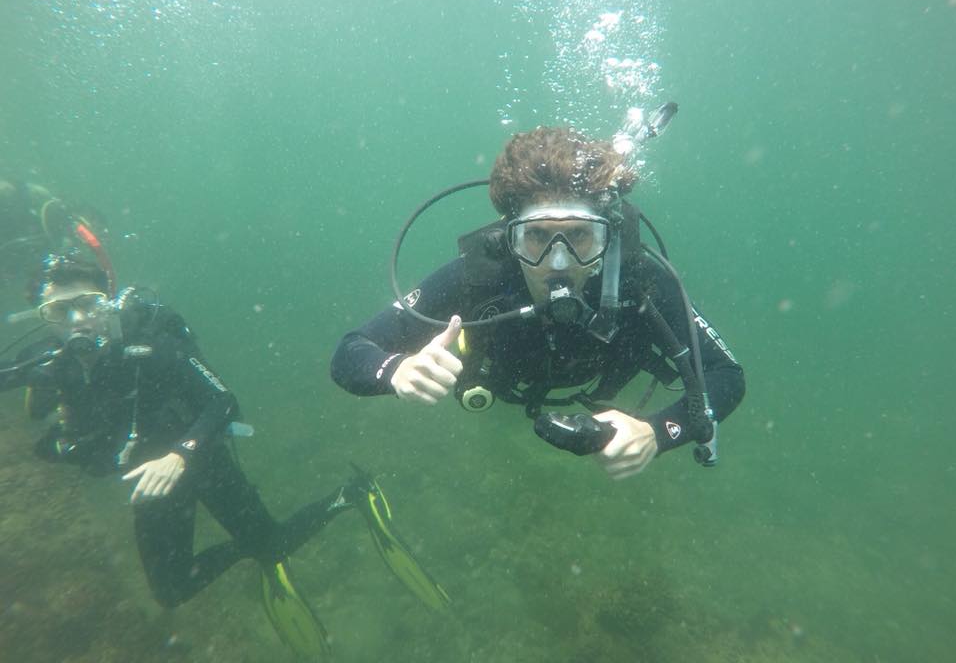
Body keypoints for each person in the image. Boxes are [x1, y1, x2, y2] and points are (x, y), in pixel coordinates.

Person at [0, 254, 449, 659]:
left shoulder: (150, 344)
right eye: (60, 311)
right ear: (42, 317)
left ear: (110, 302)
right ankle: (249, 551)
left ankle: (353, 494)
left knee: (274, 546)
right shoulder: (45, 361)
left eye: (90, 305)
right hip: (148, 481)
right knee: (171, 590)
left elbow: (222, 401)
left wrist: (180, 454)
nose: (78, 321)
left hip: (201, 462)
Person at [331, 125, 745, 478]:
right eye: (537, 237)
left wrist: (659, 431)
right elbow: (350, 352)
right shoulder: (476, 279)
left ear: (609, 236)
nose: (559, 262)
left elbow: (725, 373)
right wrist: (396, 371)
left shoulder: (640, 281)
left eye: (581, 236)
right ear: (509, 238)